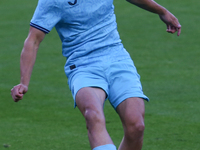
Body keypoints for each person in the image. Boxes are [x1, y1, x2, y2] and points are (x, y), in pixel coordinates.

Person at [11, 0, 181, 149]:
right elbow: (33, 40)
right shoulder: (52, 1)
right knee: (93, 115)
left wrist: (163, 11)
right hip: (82, 65)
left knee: (136, 125)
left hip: (118, 59)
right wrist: (23, 82)